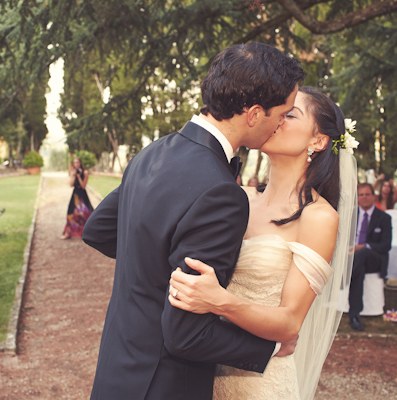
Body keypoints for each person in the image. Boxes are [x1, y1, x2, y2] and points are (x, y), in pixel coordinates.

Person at [82, 42, 306, 399]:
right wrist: (271, 348)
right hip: (163, 384)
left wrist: (153, 272)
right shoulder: (221, 193)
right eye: (283, 114)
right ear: (253, 114)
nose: (281, 124)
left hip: (116, 370)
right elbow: (186, 334)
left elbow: (97, 230)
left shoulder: (152, 152)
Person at [168, 86, 357, 399]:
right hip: (201, 369)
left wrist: (218, 300)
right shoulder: (237, 197)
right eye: (275, 111)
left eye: (288, 115)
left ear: (318, 140)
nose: (274, 119)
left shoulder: (318, 217)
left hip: (261, 381)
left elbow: (289, 324)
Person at [347, 183, 392, 331]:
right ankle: (354, 315)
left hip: (375, 258)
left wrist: (363, 247)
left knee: (363, 254)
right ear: (357, 198)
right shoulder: (350, 215)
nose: (364, 197)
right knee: (359, 268)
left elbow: (386, 245)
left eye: (367, 194)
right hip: (352, 258)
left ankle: (344, 278)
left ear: (374, 196)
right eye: (361, 195)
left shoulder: (384, 218)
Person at [60, 156, 94, 239]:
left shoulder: (85, 172)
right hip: (75, 194)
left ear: (80, 163)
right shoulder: (73, 172)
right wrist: (74, 176)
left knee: (85, 213)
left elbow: (83, 186)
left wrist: (79, 177)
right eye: (75, 163)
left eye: (77, 162)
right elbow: (71, 185)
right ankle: (69, 232)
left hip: (82, 194)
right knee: (70, 212)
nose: (76, 164)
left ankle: (87, 232)